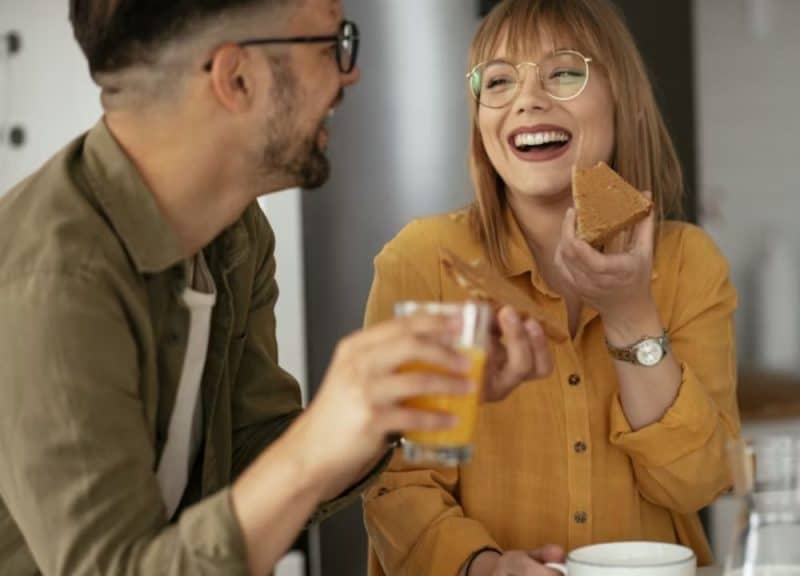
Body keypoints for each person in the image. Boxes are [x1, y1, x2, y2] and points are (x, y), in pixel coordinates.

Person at [0, 1, 550, 574]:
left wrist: (393, 406)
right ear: (237, 78)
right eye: (330, 44)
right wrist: (320, 437)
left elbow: (248, 454)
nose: (349, 72)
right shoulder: (54, 281)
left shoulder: (233, 233)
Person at [362, 0, 741, 574]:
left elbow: (698, 482)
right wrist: (486, 567)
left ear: (621, 97)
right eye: (499, 81)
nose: (527, 99)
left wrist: (630, 316)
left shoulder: (689, 264)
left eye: (564, 72)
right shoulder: (430, 265)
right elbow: (403, 484)